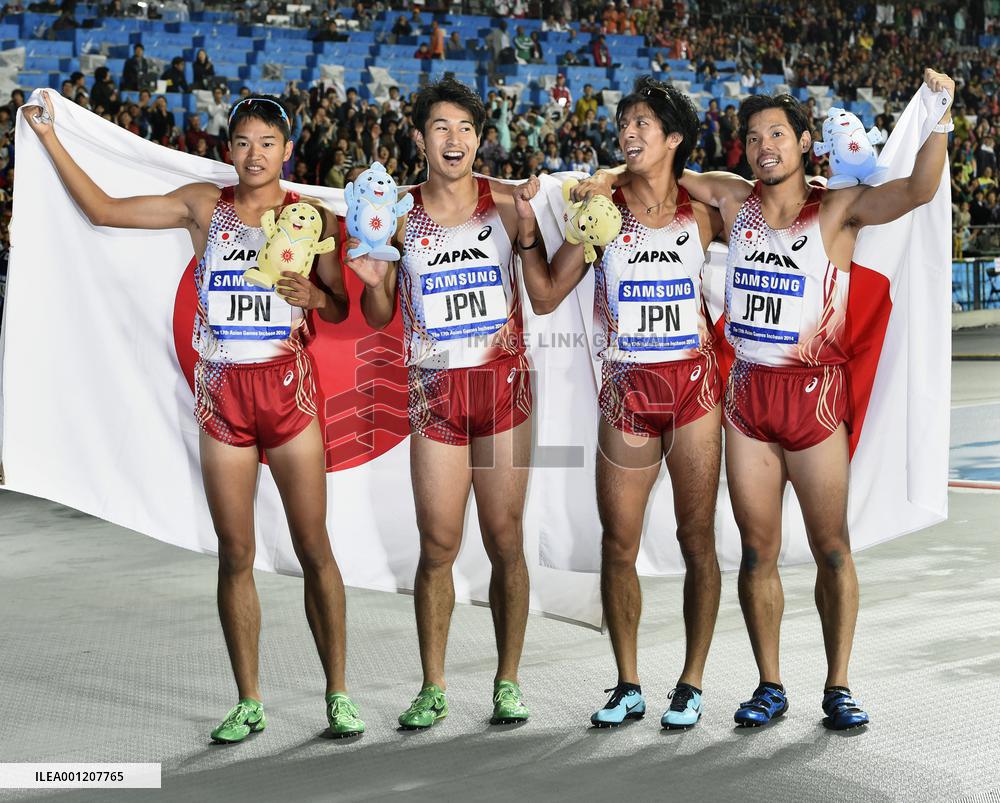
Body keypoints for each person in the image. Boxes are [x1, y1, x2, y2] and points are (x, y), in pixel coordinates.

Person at [578, 68, 955, 731]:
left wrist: (941, 115)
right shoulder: (731, 200)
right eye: (753, 138)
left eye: (777, 134)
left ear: (805, 141)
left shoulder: (837, 207)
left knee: (832, 547)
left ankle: (838, 686)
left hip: (814, 400)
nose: (764, 147)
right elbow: (655, 173)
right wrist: (603, 177)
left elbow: (919, 189)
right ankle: (769, 683)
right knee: (757, 552)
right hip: (748, 400)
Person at [23, 92, 367, 741]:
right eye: (243, 142)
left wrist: (315, 295)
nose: (255, 154)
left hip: (288, 398)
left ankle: (339, 693)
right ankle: (249, 700)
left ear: (287, 150)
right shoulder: (205, 206)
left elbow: (341, 305)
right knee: (235, 552)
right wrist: (48, 139)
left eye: (267, 142)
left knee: (313, 546)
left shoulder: (313, 217)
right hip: (224, 401)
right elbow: (102, 210)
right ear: (228, 148)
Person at [342, 78, 546, 730]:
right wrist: (375, 280)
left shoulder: (507, 203)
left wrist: (536, 233)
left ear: (480, 138)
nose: (453, 139)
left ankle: (508, 680)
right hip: (435, 393)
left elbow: (546, 286)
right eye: (440, 127)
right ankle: (433, 685)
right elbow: (379, 314)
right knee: (437, 544)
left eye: (465, 128)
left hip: (502, 389)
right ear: (420, 137)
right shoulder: (397, 212)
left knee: (505, 538)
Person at [526, 77, 725, 730]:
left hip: (693, 392)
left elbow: (777, 209)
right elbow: (547, 296)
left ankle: (691, 682)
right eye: (624, 122)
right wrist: (527, 233)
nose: (629, 131)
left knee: (697, 538)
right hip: (627, 393)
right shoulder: (602, 211)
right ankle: (628, 682)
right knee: (619, 543)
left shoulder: (705, 209)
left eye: (643, 122)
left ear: (674, 138)